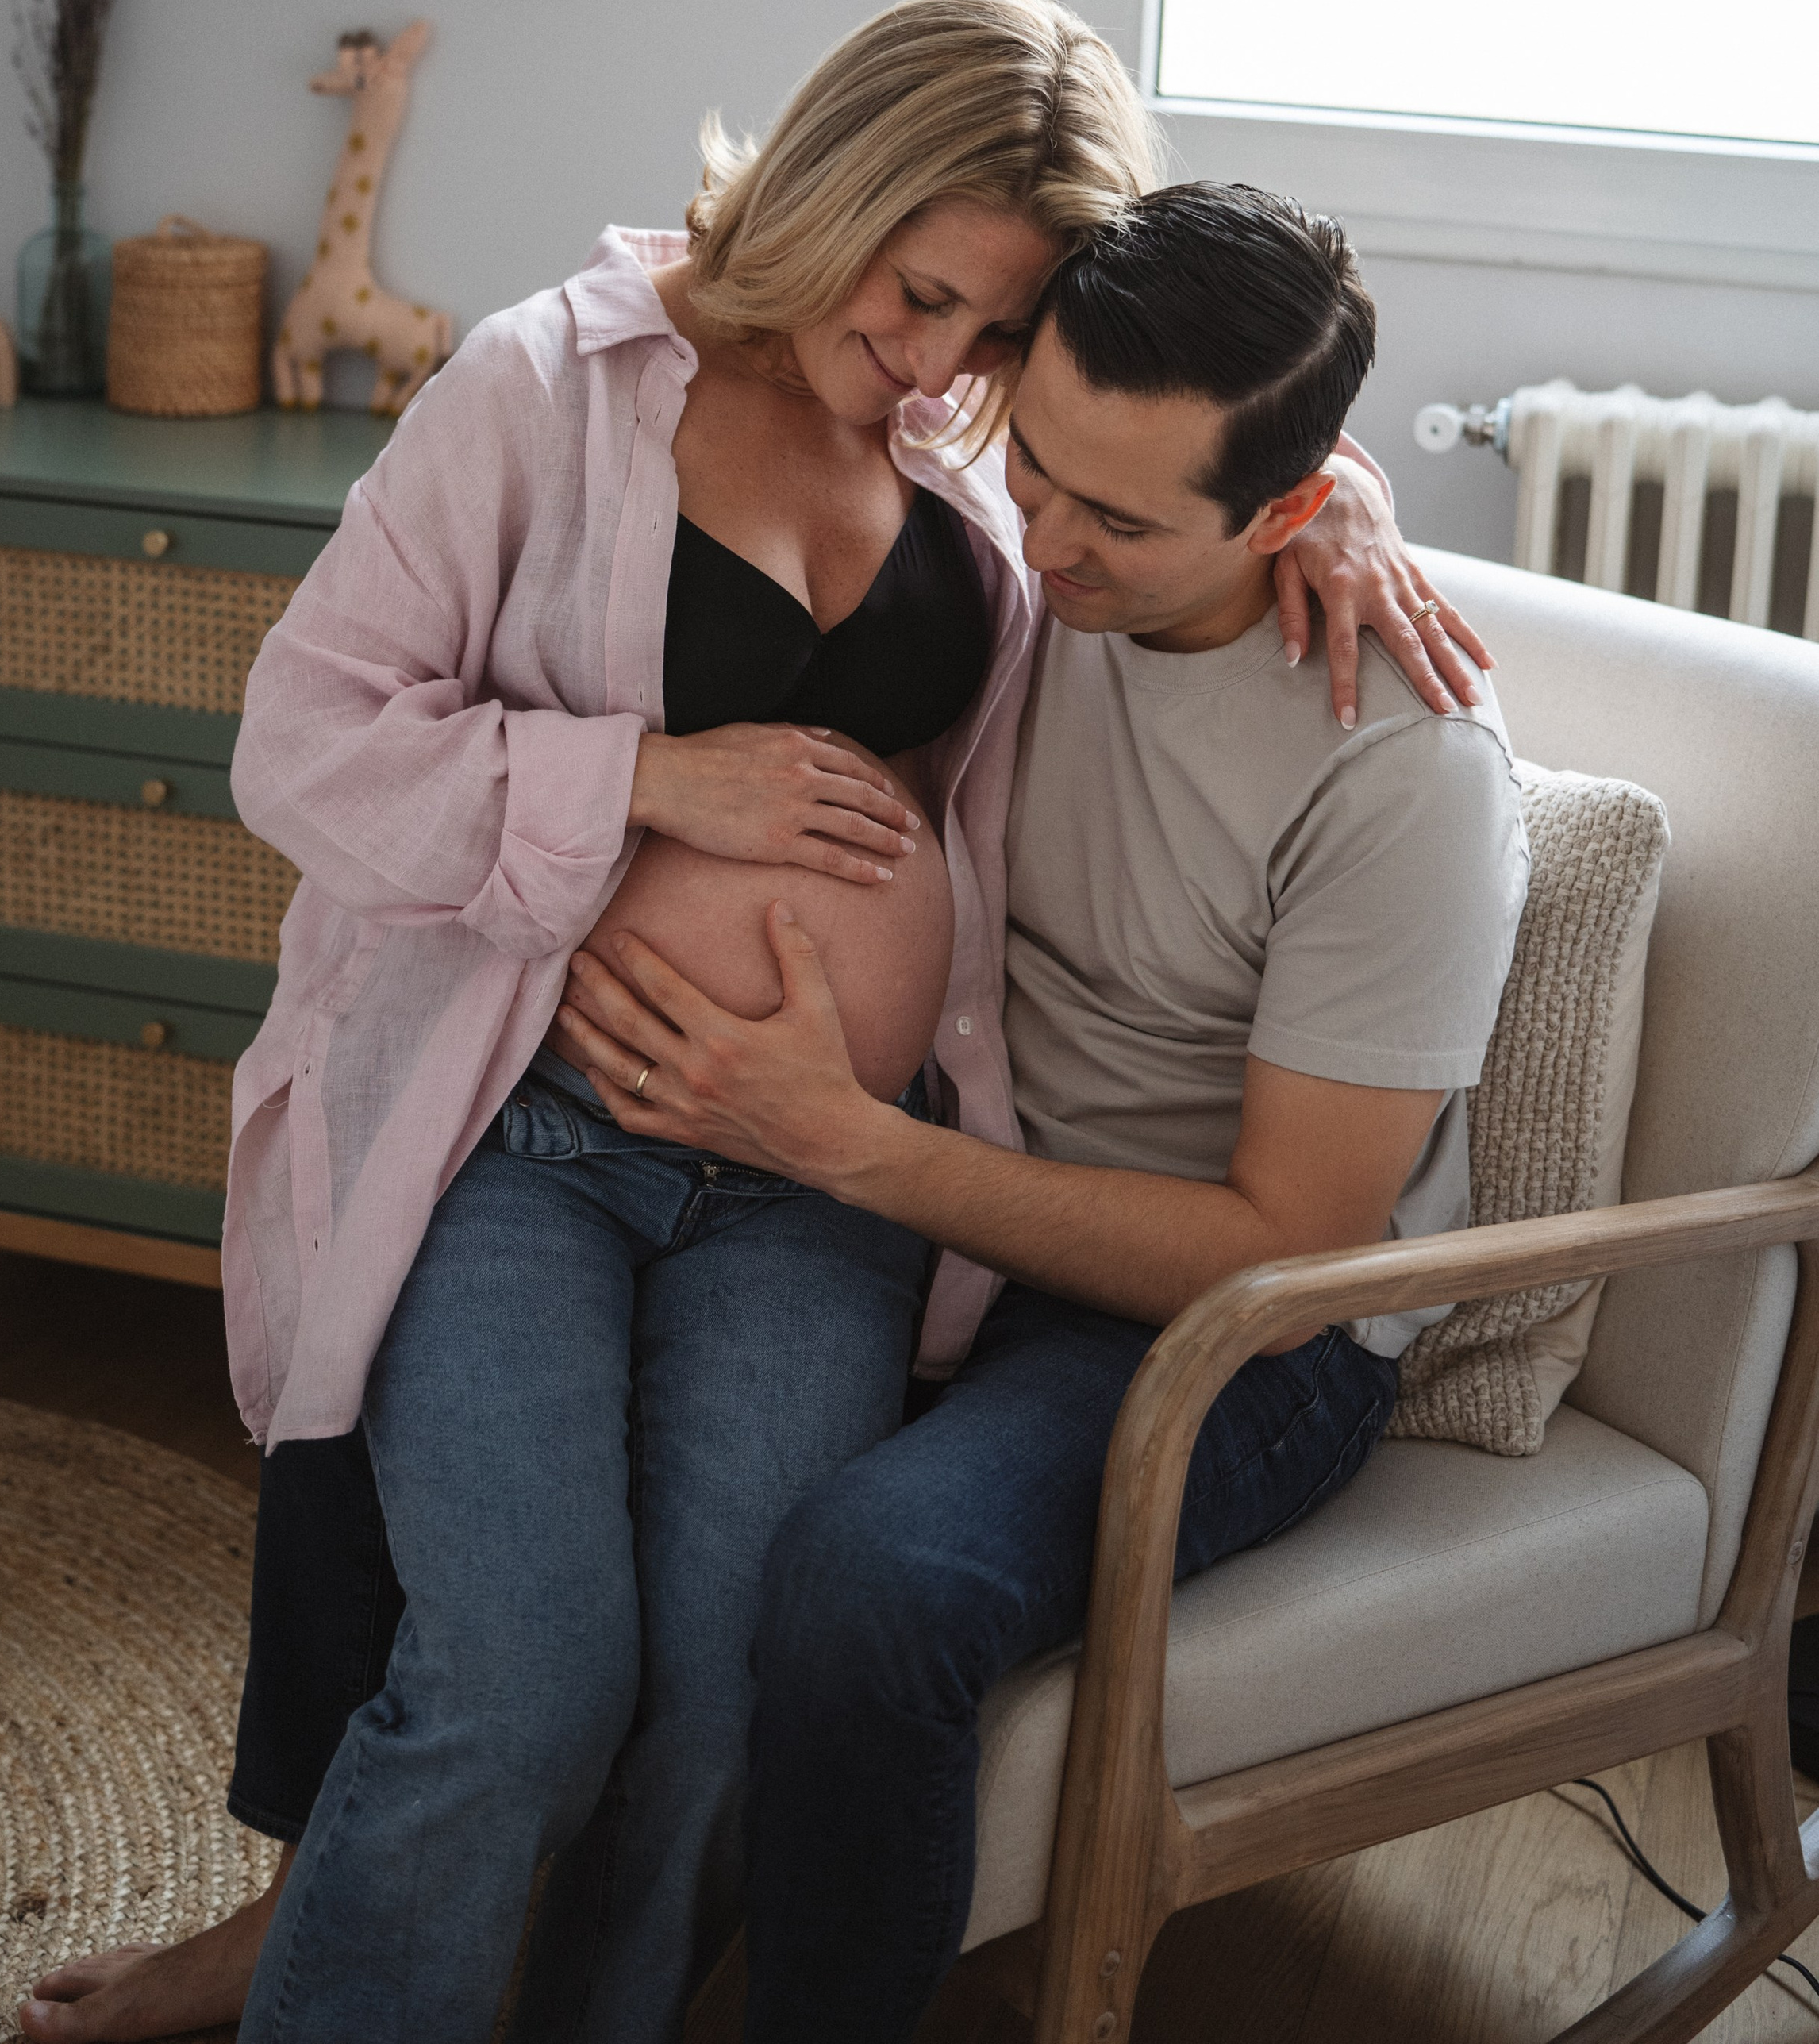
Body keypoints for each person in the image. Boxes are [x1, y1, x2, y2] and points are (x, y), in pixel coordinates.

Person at [18, 8, 1484, 2044]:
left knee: (724, 1702)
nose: (940, 373)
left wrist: (1352, 512)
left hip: (824, 1193)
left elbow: (1192, 455)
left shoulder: (983, 459)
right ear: (836, 179)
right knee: (526, 1679)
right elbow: (298, 748)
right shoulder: (544, 388)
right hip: (535, 1136)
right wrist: (641, 774)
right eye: (920, 301)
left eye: (990, 343)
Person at [554, 182, 1529, 2043]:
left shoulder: (1400, 769)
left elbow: (1289, 1245)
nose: (1043, 538)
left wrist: (839, 1144)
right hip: (936, 1187)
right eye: (1037, 462)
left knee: (866, 1581)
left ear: (1290, 511)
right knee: (474, 1332)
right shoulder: (1009, 560)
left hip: (1221, 1322)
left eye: (1119, 518)